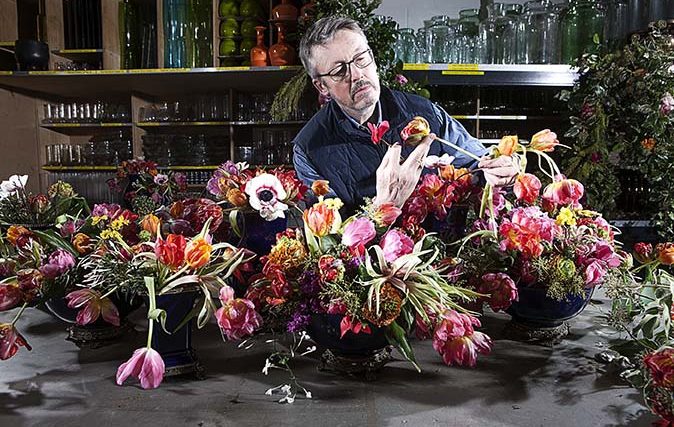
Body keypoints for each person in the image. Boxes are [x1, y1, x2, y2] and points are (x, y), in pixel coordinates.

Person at [292, 16, 518, 211]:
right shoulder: (309, 148)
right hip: (369, 259)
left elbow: (477, 162)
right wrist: (383, 207)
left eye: (361, 58)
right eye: (340, 71)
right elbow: (329, 239)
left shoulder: (424, 113)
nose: (357, 74)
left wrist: (501, 168)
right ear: (322, 86)